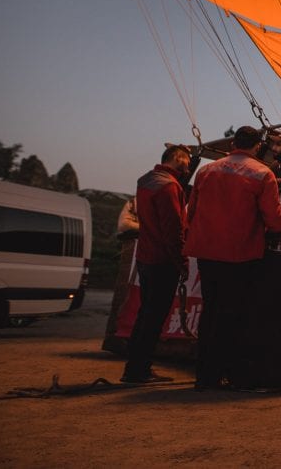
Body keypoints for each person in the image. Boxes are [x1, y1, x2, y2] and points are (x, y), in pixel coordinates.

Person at [185, 126, 281, 392]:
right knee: (238, 315)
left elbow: (190, 211)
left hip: (206, 252)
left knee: (211, 312)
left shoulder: (206, 171)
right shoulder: (263, 174)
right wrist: (276, 233)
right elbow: (274, 218)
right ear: (257, 146)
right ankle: (238, 375)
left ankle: (205, 376)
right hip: (242, 253)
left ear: (232, 143)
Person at [121, 144, 191, 384]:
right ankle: (138, 370)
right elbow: (173, 230)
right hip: (162, 260)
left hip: (145, 257)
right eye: (187, 161)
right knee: (154, 317)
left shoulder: (145, 182)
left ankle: (134, 365)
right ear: (178, 159)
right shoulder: (170, 187)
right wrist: (182, 261)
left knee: (145, 314)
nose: (188, 167)